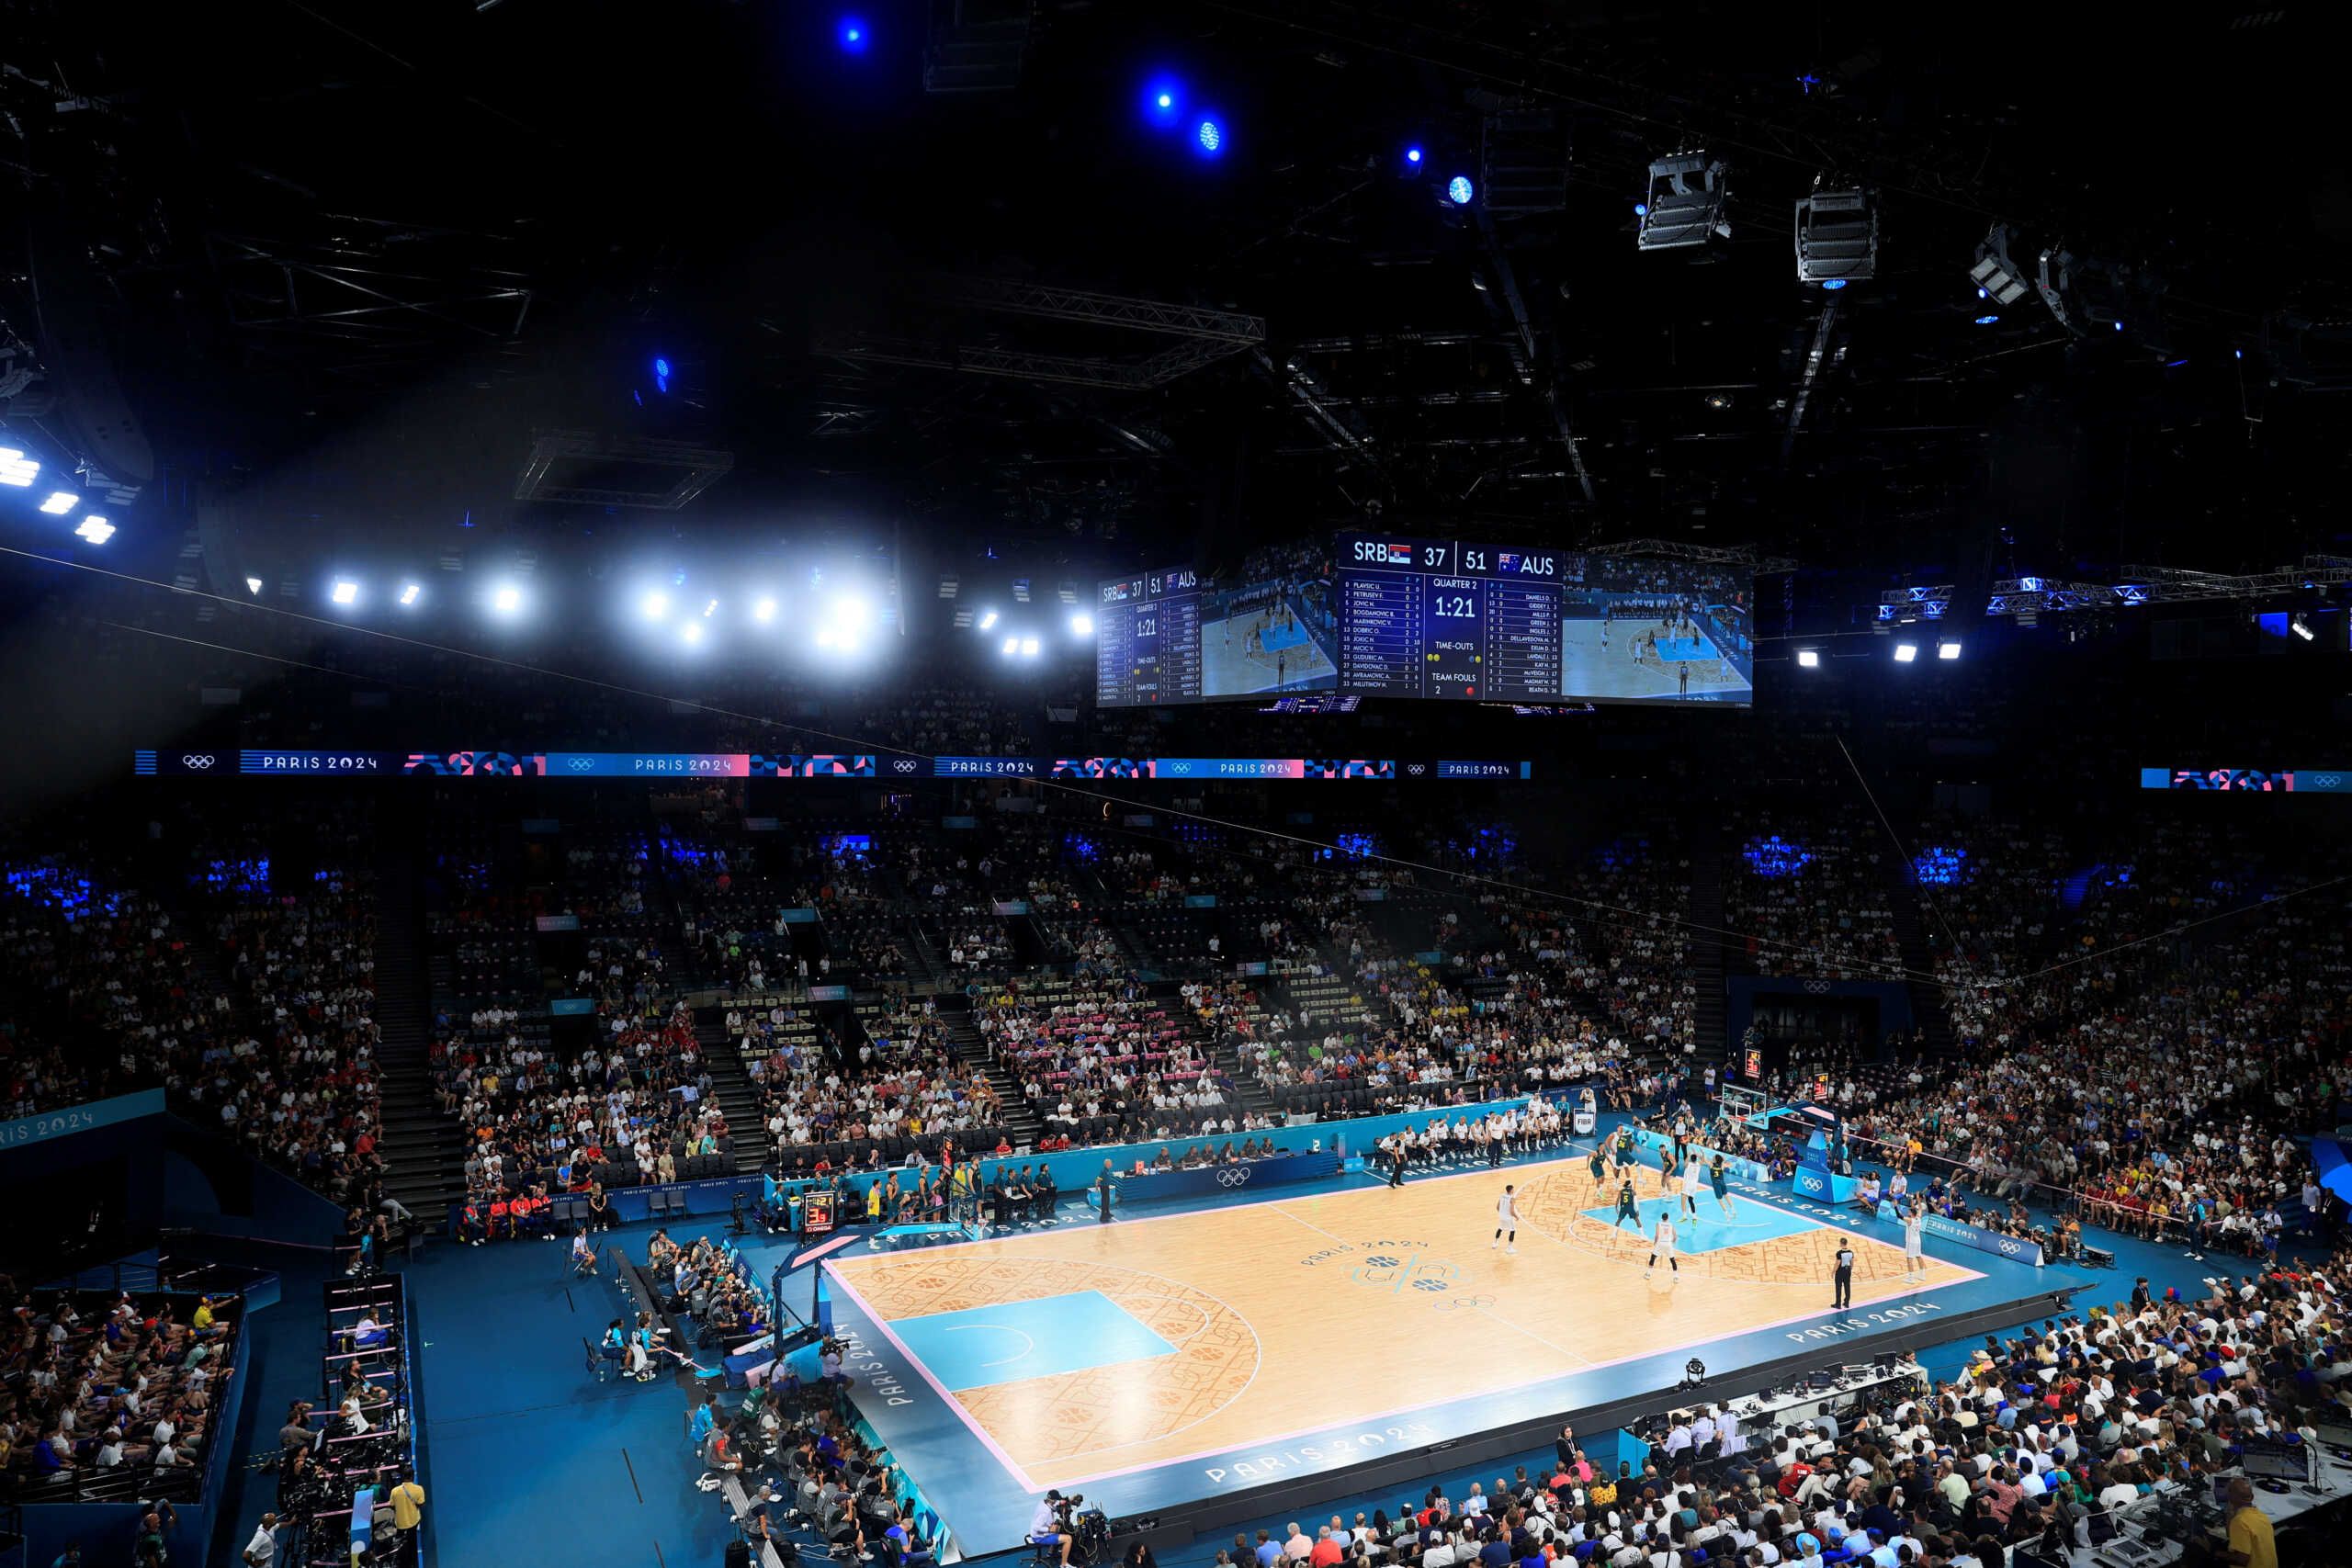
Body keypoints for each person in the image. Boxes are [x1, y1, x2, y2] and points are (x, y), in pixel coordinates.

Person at [2222, 1476, 2276, 1568]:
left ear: (2231, 1497)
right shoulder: (2262, 1516)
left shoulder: (2240, 1521)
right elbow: (2231, 1535)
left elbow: (2242, 1560)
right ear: (2252, 1497)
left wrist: (2215, 1552)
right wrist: (2230, 1515)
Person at [1029, 1490, 1073, 1566]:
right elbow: (1036, 1527)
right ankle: (1064, 1565)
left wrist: (1062, 1502)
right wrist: (1049, 1529)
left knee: (1057, 1525)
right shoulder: (1045, 1512)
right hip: (1039, 1537)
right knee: (1068, 1539)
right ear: (1053, 1500)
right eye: (1056, 1500)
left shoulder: (1043, 1502)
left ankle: (1050, 1552)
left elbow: (1052, 1506)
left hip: (1036, 1533)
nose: (1057, 1501)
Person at [1645, 1212, 1678, 1282]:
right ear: (1668, 1218)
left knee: (1653, 1258)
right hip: (1668, 1244)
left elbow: (1657, 1235)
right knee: (1672, 1260)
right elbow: (1675, 1236)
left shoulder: (1658, 1224)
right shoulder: (1671, 1224)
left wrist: (1655, 1242)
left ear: (1662, 1218)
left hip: (1660, 1243)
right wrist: (1672, 1241)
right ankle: (1676, 1277)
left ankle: (1648, 1274)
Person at [1902, 1200, 1925, 1284]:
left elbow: (1899, 1216)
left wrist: (1896, 1207)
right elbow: (1921, 1208)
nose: (1908, 1212)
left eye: (1909, 1211)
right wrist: (1918, 1200)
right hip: (1918, 1240)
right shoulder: (1918, 1217)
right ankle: (1922, 1275)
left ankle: (1911, 1278)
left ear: (1911, 1213)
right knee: (1918, 1256)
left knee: (1909, 1259)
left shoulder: (1909, 1220)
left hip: (1911, 1242)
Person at [1493, 1185, 1519, 1255]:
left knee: (1500, 1228)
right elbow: (1512, 1211)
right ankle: (1509, 1248)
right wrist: (1516, 1217)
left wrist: (1502, 1213)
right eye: (1513, 1189)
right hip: (1508, 1217)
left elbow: (1497, 1207)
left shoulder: (1502, 1196)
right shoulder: (1512, 1199)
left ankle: (1495, 1243)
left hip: (1501, 1216)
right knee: (1513, 1230)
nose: (1514, 1190)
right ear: (1511, 1190)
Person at [1709, 1154, 1735, 1221]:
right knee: (1727, 1196)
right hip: (1722, 1183)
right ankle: (1733, 1210)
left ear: (1716, 1160)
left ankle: (1727, 1215)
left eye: (1714, 1157)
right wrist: (1725, 1160)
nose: (1713, 1158)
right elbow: (1731, 1165)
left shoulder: (1711, 1165)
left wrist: (1700, 1155)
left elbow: (1703, 1159)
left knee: (1720, 1200)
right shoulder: (1722, 1165)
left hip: (1716, 1185)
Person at [1832, 1239, 1855, 1309]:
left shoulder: (1839, 1253)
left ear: (1841, 1243)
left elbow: (1837, 1263)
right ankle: (1846, 1303)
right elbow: (1852, 1262)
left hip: (1840, 1271)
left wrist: (1833, 1271)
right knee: (1847, 1286)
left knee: (1838, 1287)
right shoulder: (1851, 1252)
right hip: (1848, 1271)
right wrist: (1850, 1269)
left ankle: (1838, 1304)